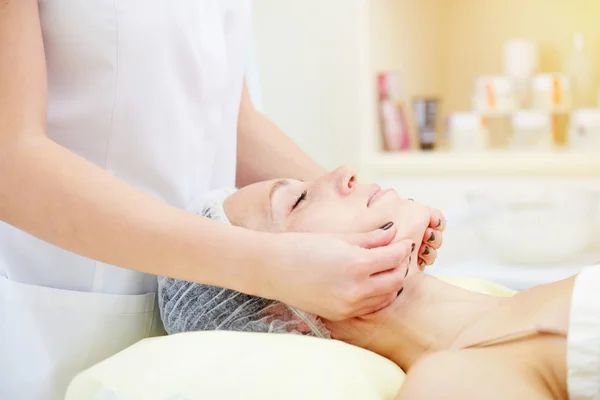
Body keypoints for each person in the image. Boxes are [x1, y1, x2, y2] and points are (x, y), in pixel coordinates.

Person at [0, 2, 445, 398]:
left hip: (205, 318)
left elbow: (229, 117)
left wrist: (374, 220)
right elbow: (10, 159)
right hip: (58, 313)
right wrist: (270, 265)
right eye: (295, 201)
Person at [159, 168, 599, 400]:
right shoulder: (450, 383)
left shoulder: (515, 306)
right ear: (287, 317)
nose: (342, 173)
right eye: (297, 200)